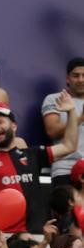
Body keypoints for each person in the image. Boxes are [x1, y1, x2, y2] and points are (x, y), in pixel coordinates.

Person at [0, 96, 79, 232]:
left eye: (0, 122)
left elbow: (69, 146)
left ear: (14, 126)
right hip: (3, 238)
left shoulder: (32, 154)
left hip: (38, 235)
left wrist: (71, 112)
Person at [44, 57, 84, 185]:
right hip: (65, 169)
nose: (81, 80)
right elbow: (52, 131)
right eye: (76, 76)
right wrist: (81, 118)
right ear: (68, 78)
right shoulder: (55, 99)